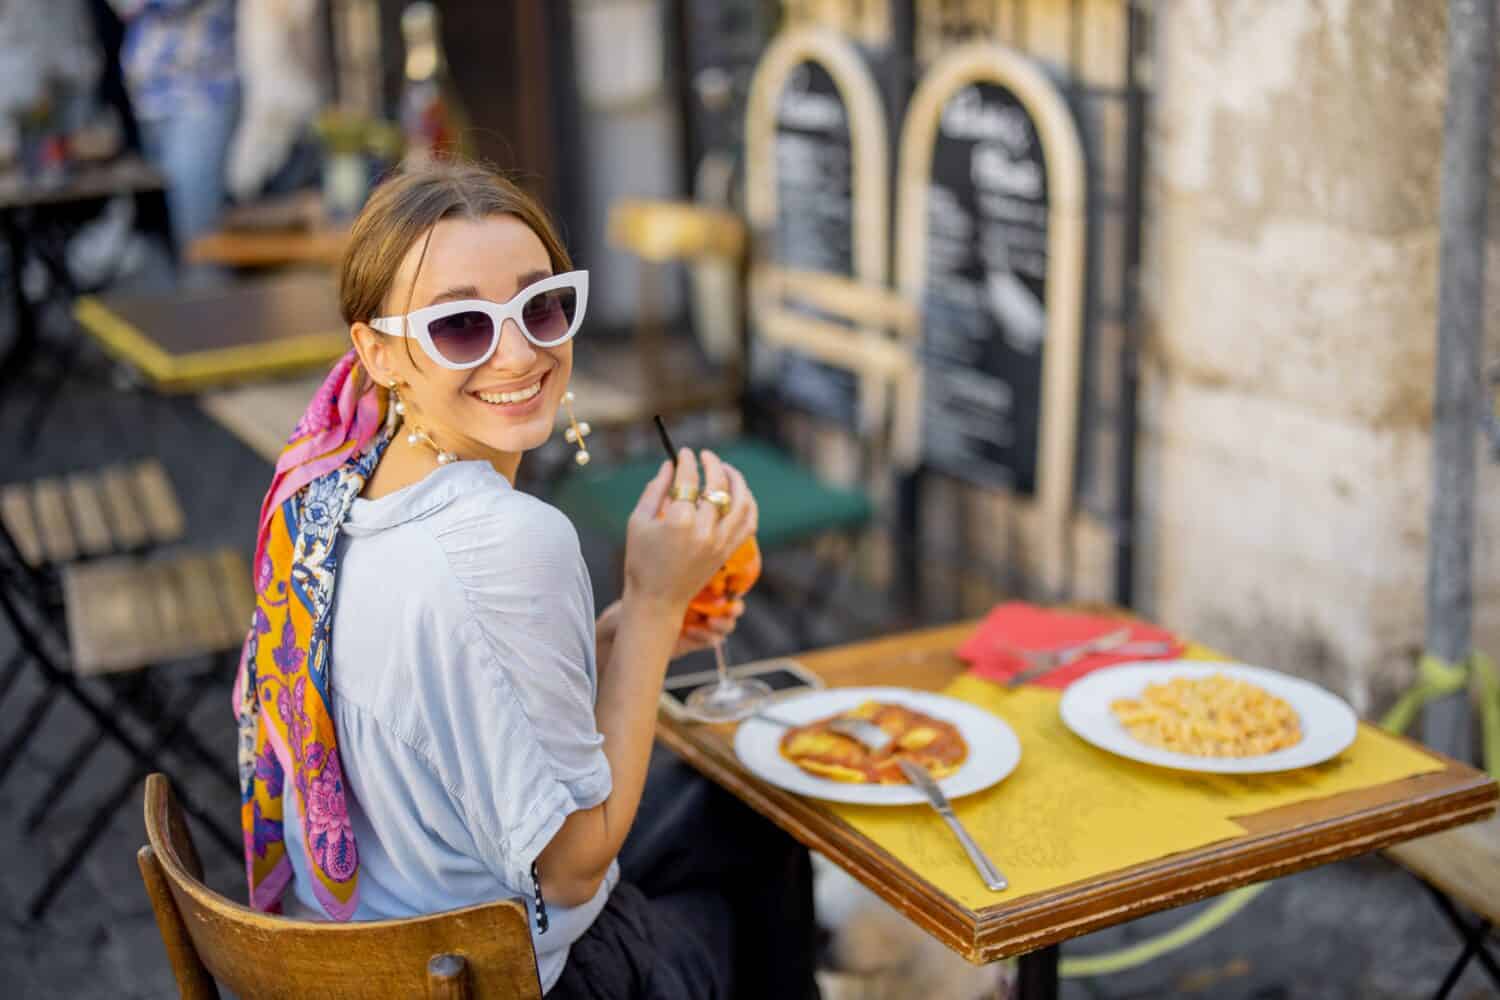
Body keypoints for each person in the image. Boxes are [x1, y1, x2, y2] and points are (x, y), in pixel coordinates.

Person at [233, 160, 820, 999]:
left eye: (542, 306)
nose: (520, 350)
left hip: (376, 930)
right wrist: (654, 600)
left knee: (733, 813)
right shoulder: (509, 540)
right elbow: (574, 868)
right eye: (461, 325)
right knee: (762, 841)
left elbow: (461, 697)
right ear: (378, 349)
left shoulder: (330, 488)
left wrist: (618, 636)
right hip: (510, 973)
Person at [109, 0, 237, 250]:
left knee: (196, 227)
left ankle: (204, 286)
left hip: (202, 93)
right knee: (164, 226)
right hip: (148, 97)